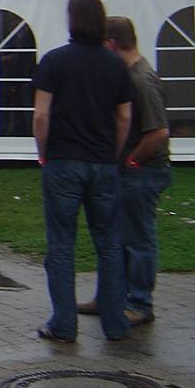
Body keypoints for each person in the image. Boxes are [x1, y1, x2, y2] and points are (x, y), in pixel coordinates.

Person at [32, 0, 133, 343]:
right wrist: (113, 153)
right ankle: (115, 323)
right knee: (109, 244)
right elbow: (124, 117)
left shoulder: (54, 61)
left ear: (71, 20)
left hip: (63, 161)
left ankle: (64, 323)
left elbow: (41, 115)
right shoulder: (115, 64)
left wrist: (43, 152)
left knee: (61, 245)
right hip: (102, 162)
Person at [78, 16, 172, 327]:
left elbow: (158, 132)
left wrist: (132, 161)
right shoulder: (126, 75)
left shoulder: (141, 80)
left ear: (111, 44)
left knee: (137, 239)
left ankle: (139, 303)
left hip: (143, 173)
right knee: (115, 238)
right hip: (126, 172)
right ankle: (110, 297)